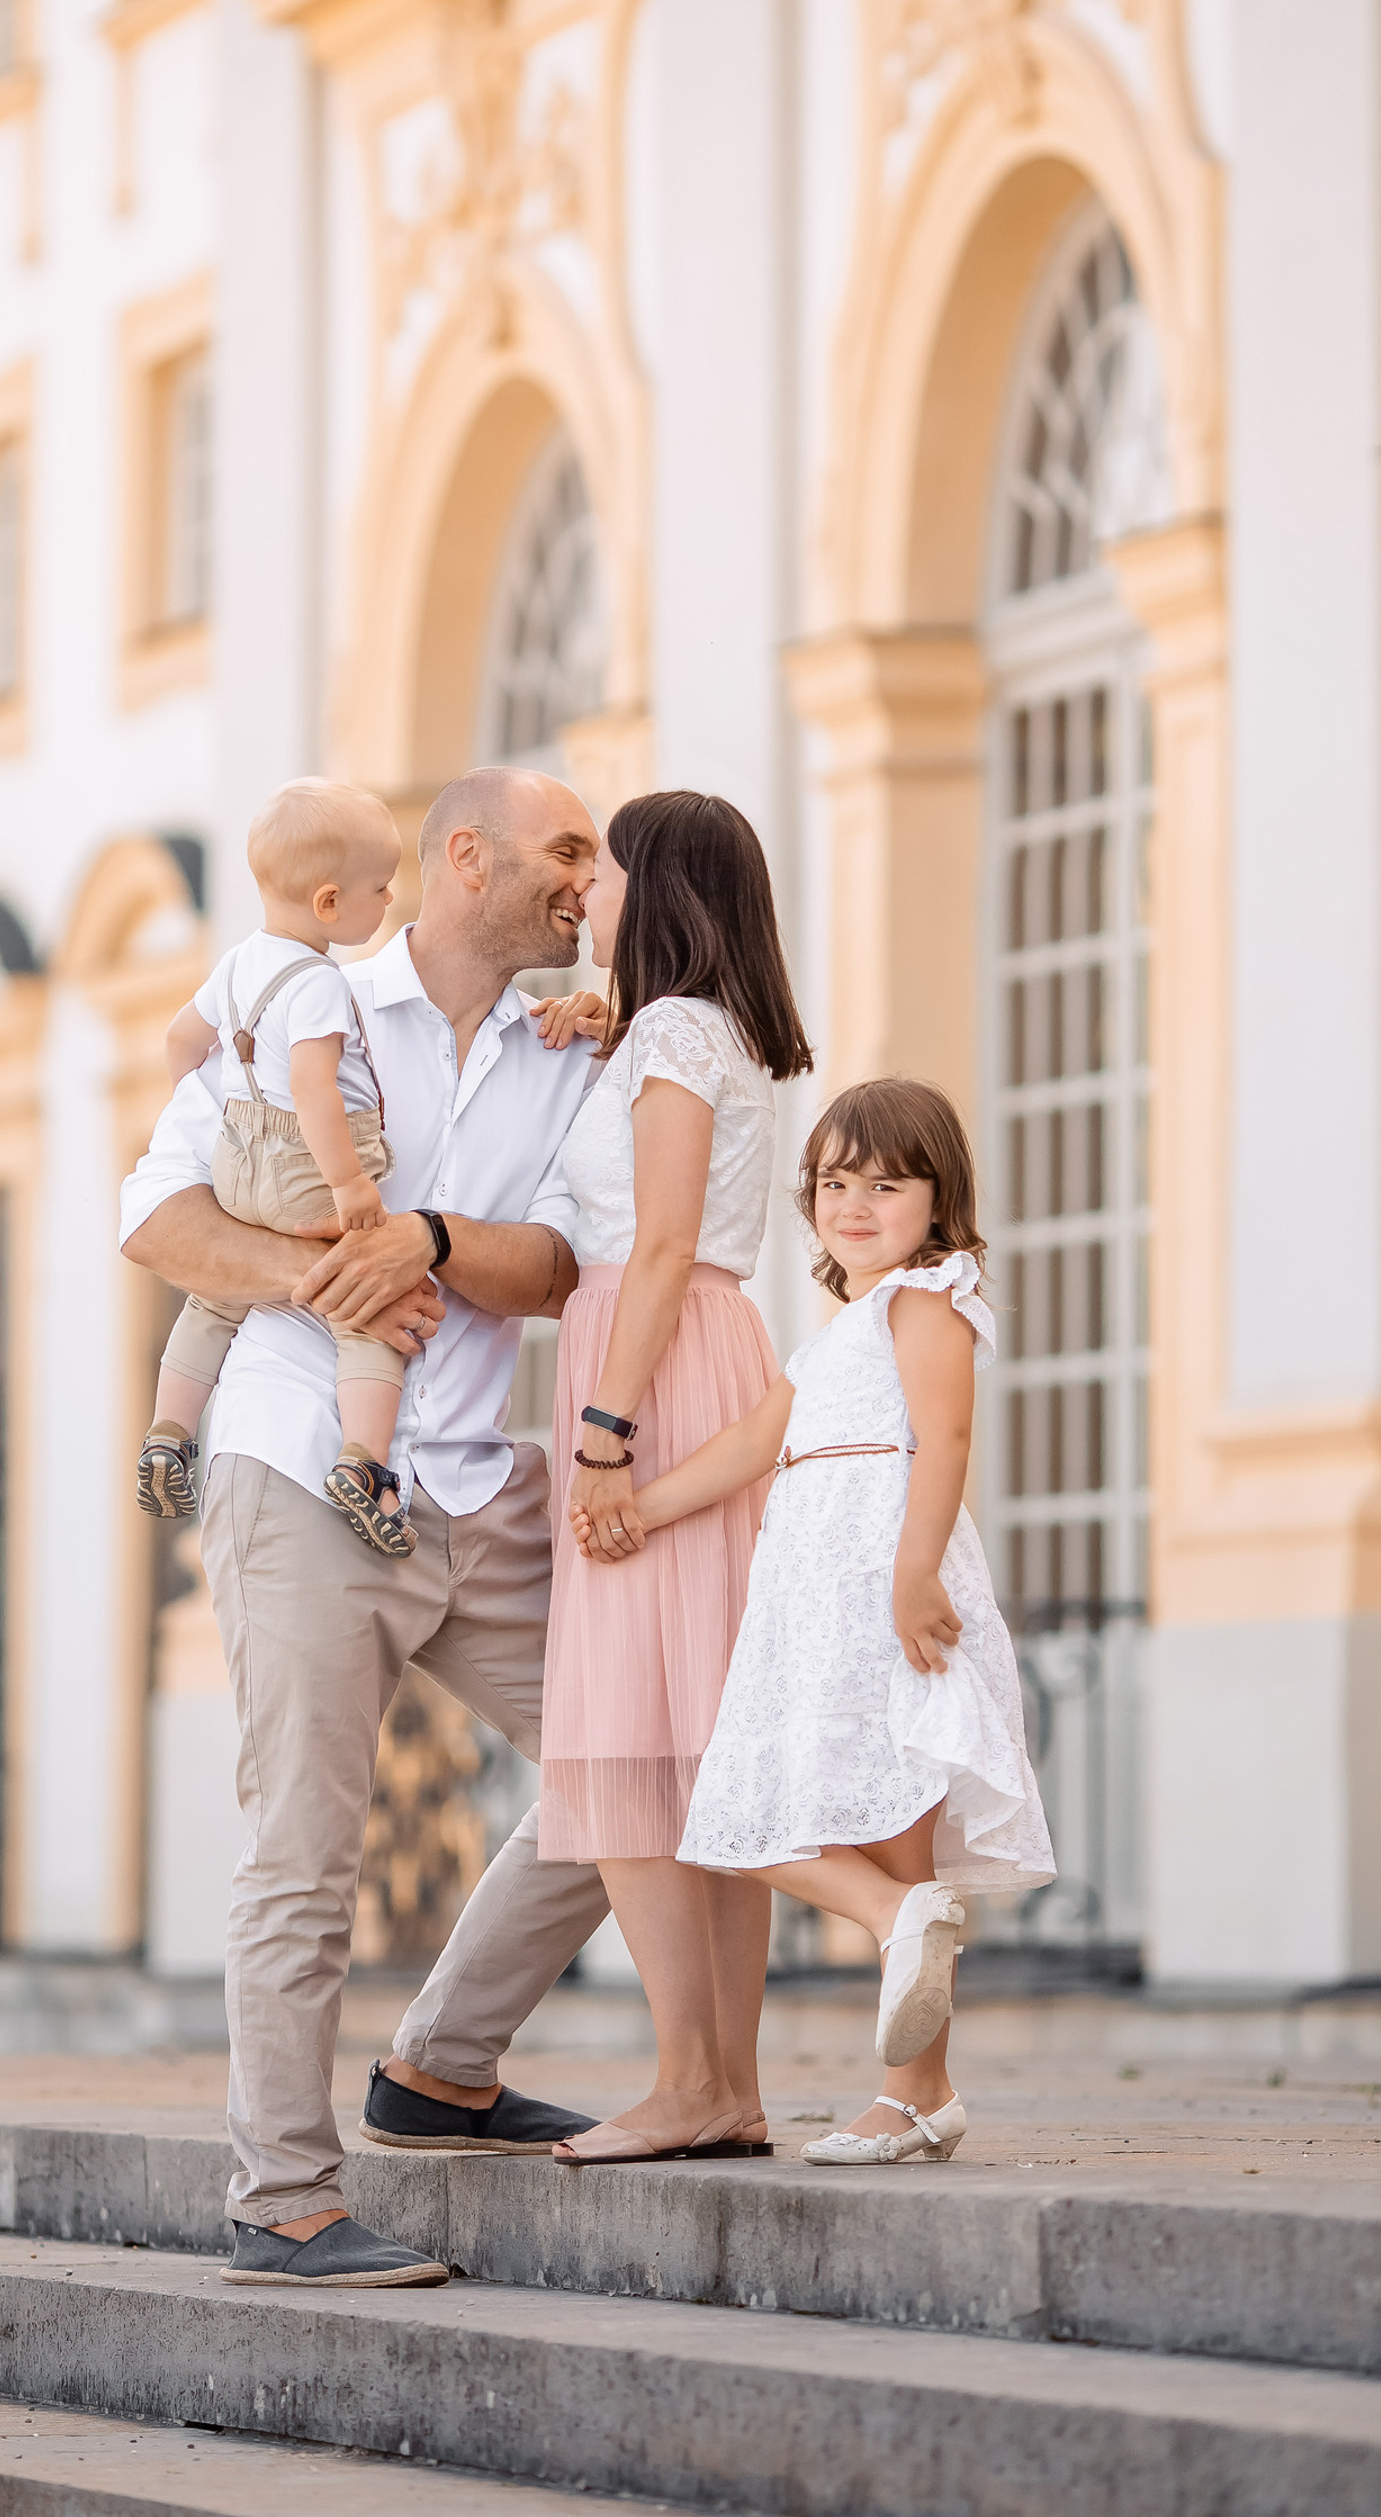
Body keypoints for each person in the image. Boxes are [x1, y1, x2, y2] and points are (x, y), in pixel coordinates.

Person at [119, 767, 615, 2288]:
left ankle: (443, 2069)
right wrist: (317, 1276)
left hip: (479, 1479)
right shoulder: (299, 1001)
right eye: (568, 852)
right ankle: (281, 2198)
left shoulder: (568, 1044)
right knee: (307, 1850)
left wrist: (436, 1246)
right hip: (302, 1466)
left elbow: (563, 1271)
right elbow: (156, 1213)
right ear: (466, 861)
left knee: (640, 1762)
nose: (588, 882)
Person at [578, 1077, 1055, 2166]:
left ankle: (909, 2087)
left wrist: (915, 1573)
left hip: (886, 1576)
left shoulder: (929, 1297)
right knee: (782, 1820)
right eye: (835, 1183)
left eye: (886, 1185)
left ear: (939, 1201)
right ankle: (914, 2031)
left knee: (887, 1834)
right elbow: (755, 1444)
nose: (855, 1204)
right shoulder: (843, 1327)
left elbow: (943, 1441)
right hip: (811, 1591)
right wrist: (636, 1509)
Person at [537, 790, 813, 2167]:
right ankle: (726, 2084)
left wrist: (601, 1434)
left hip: (648, 1364)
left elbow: (650, 1247)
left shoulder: (669, 1033)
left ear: (660, 892)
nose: (584, 888)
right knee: (698, 1728)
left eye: (605, 867)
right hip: (698, 1348)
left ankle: (688, 2081)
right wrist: (597, 1024)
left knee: (634, 1731)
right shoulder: (709, 1033)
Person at [135, 778, 419, 1554]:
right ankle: (362, 1464)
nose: (391, 899)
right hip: (308, 1164)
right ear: (328, 903)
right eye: (379, 888)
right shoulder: (321, 983)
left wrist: (221, 1113)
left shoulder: (237, 963)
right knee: (364, 1308)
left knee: (214, 1300)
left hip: (239, 1156)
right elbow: (315, 1090)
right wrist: (350, 1186)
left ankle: (168, 1434)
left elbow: (178, 1042)